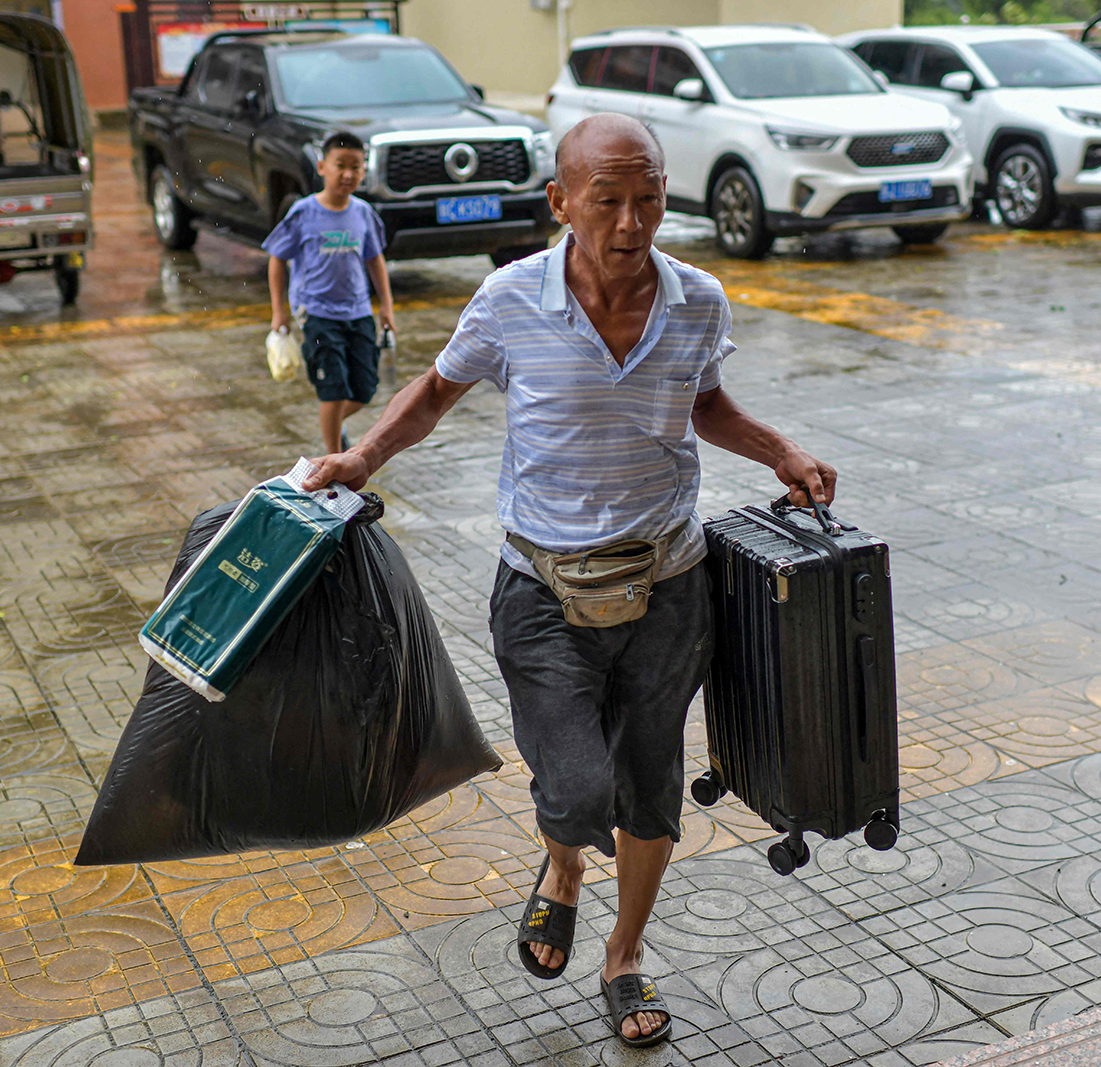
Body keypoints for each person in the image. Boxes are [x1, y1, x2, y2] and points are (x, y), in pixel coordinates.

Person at [301, 113, 836, 1050]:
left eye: (651, 199)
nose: (633, 222)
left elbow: (703, 402)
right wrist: (361, 456)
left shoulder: (699, 299)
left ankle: (624, 957)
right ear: (561, 202)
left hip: (670, 584)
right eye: (609, 201)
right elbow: (435, 389)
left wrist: (779, 447)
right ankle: (563, 869)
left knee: (649, 784)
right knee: (577, 789)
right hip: (542, 588)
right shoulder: (511, 299)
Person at [265, 130, 395, 455]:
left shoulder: (363, 213)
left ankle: (334, 422)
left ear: (364, 170)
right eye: (340, 165)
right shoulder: (304, 213)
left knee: (364, 390)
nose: (348, 174)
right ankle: (333, 459)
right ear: (322, 167)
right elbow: (277, 259)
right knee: (333, 391)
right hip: (317, 314)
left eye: (356, 166)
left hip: (359, 312)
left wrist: (386, 307)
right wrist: (278, 310)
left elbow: (375, 260)